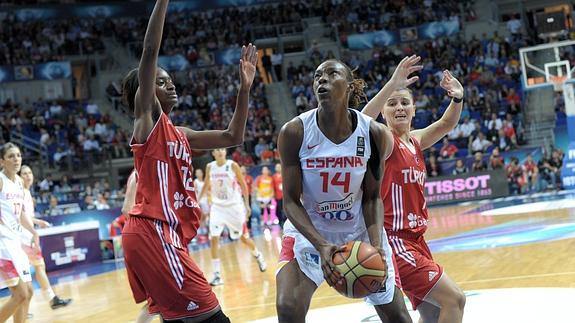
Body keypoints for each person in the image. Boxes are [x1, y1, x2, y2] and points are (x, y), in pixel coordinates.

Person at [120, 1, 258, 321]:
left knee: (176, 317)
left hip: (165, 235)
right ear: (143, 94)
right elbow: (150, 49)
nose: (171, 85)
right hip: (154, 230)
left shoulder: (180, 133)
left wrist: (245, 89)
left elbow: (231, 137)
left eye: (170, 81)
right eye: (161, 82)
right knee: (210, 314)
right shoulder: (148, 124)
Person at [275, 59, 412, 323]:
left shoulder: (373, 133)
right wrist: (322, 244)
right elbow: (291, 202)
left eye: (331, 73)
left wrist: (376, 244)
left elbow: (372, 197)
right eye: (317, 76)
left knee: (399, 318)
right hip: (310, 229)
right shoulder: (294, 132)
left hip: (359, 229)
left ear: (349, 86)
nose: (321, 79)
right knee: (288, 307)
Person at [362, 55, 466, 322]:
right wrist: (392, 84)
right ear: (383, 112)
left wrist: (457, 98)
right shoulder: (384, 140)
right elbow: (361, 122)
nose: (399, 107)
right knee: (454, 299)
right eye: (392, 104)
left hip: (417, 240)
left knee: (433, 312)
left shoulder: (416, 140)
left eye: (404, 103)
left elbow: (445, 125)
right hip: (394, 240)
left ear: (414, 109)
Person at [199, 149, 267, 286]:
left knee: (243, 238)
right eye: (217, 150)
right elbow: (206, 184)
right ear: (213, 153)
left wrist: (247, 205)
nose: (220, 152)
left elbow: (243, 185)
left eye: (222, 149)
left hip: (234, 207)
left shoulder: (232, 165)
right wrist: (197, 200)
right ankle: (217, 275)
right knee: (214, 238)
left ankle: (258, 254)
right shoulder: (210, 167)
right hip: (218, 207)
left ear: (225, 152)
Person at [19, 165, 72, 314]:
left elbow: (26, 216)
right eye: (24, 174)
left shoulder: (27, 193)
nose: (28, 176)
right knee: (31, 270)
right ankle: (49, 299)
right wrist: (36, 227)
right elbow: (19, 216)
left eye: (30, 173)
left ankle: (30, 306)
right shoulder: (19, 193)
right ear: (19, 176)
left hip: (27, 236)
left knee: (32, 270)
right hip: (22, 238)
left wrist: (38, 222)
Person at [0, 143, 38, 323]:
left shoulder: (20, 182)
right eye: (11, 156)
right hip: (2, 244)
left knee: (28, 293)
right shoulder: (0, 180)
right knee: (20, 294)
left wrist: (33, 232)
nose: (16, 159)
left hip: (15, 242)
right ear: (2, 161)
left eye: (18, 155)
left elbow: (21, 212)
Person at [272, 163, 285, 228]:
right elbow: (273, 187)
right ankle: (280, 221)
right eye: (277, 167)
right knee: (279, 209)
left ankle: (286, 221)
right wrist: (273, 195)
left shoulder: (285, 174)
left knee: (285, 209)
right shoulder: (274, 177)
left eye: (279, 167)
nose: (278, 168)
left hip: (285, 196)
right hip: (278, 196)